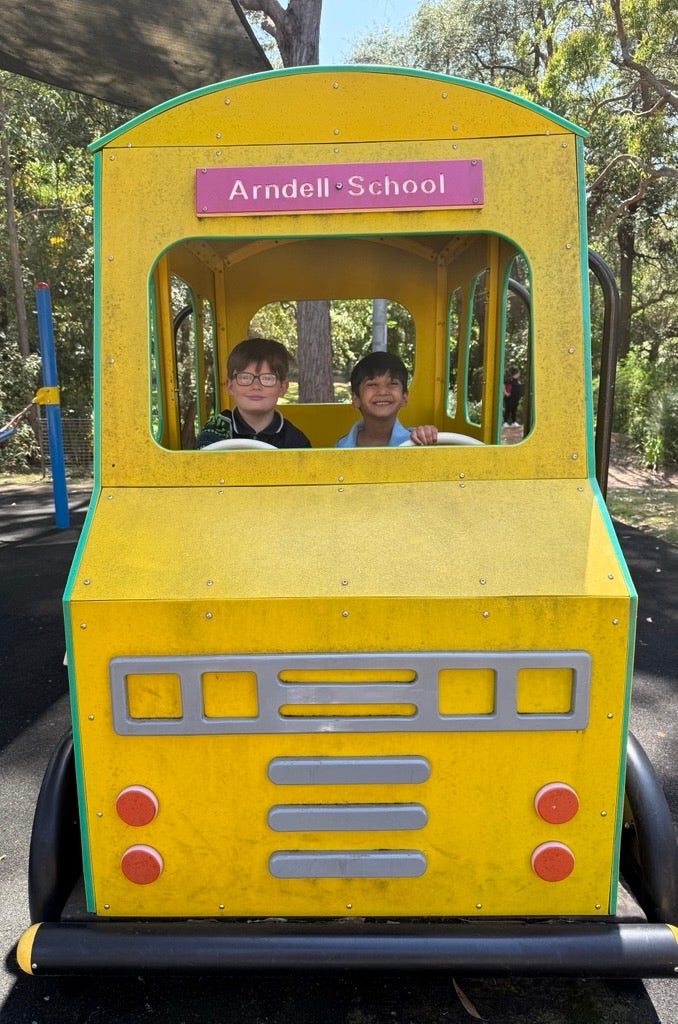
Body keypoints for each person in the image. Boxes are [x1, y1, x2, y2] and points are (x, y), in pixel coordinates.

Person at [195, 337, 311, 449]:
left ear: (282, 387)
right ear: (230, 386)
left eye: (267, 378)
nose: (256, 386)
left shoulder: (295, 441)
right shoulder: (215, 432)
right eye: (245, 378)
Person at [335, 352, 438, 447]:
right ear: (356, 398)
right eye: (372, 385)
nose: (383, 391)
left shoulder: (418, 441)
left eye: (392, 383)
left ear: (404, 397)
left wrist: (429, 435)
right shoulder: (341, 447)